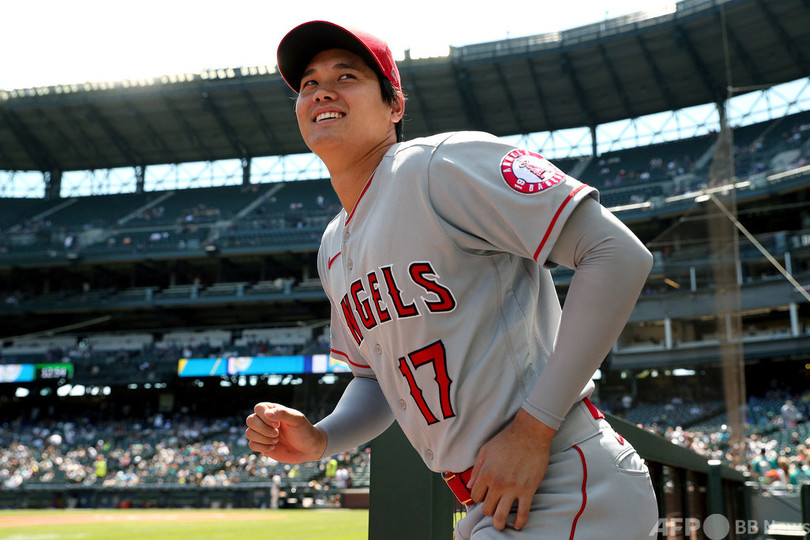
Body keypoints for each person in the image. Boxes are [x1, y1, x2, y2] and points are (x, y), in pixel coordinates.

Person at [245, 20, 658, 538]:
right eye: (309, 83)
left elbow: (616, 252)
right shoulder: (333, 245)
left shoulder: (438, 166)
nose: (322, 91)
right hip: (493, 498)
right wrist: (322, 439)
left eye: (346, 76)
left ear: (395, 106)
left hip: (561, 476)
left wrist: (534, 428)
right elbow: (375, 381)